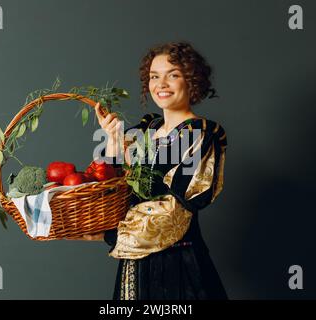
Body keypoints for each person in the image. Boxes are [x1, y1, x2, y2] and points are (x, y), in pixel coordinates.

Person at [82, 42, 228, 300]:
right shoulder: (145, 129)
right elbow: (116, 187)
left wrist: (111, 234)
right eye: (154, 76)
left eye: (172, 75)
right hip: (134, 266)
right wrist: (114, 139)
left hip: (177, 266)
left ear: (191, 80)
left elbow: (174, 213)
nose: (161, 84)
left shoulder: (200, 135)